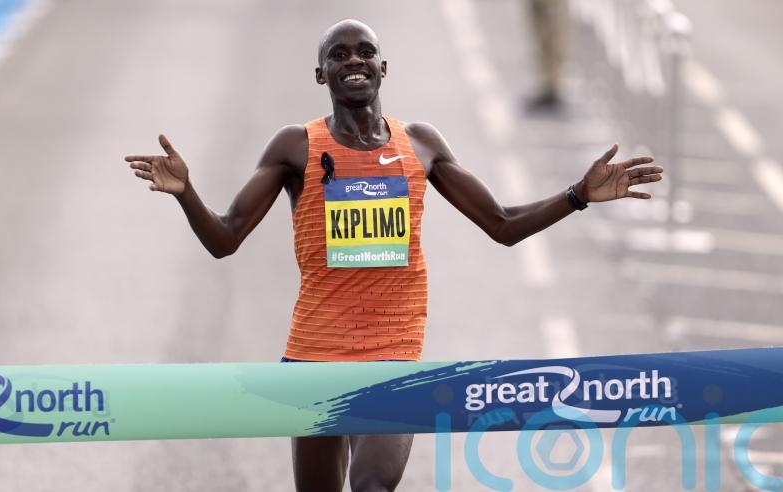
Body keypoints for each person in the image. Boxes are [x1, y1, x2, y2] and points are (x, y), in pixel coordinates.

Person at [124, 19, 662, 492]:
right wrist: (185, 193)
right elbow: (226, 237)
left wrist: (578, 195)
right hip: (314, 355)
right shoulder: (296, 147)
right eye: (338, 54)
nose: (353, 61)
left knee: (373, 483)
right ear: (321, 76)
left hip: (392, 353)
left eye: (363, 52)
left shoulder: (420, 145)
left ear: (383, 68)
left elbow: (502, 224)